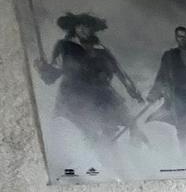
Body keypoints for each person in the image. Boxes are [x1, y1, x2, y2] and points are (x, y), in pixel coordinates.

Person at [35, 12, 146, 144]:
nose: (83, 29)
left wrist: (133, 91)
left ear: (92, 30)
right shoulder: (65, 46)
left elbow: (119, 72)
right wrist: (43, 69)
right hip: (75, 95)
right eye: (79, 26)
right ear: (74, 28)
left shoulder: (101, 49)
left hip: (102, 94)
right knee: (87, 130)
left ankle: (125, 145)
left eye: (87, 26)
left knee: (128, 121)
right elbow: (53, 74)